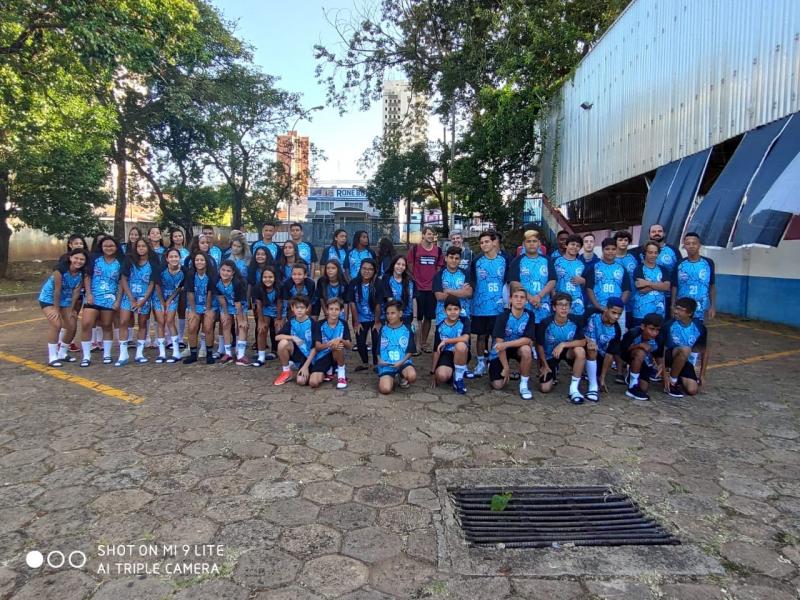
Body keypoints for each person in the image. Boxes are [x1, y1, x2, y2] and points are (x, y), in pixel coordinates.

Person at [469, 230, 508, 378]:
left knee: (495, 336)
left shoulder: (504, 260)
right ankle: (480, 363)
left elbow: (508, 281)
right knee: (480, 336)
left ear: (493, 242)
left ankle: (493, 360)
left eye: (487, 241)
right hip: (479, 306)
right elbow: (471, 281)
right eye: (482, 242)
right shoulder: (477, 261)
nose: (484, 244)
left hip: (498, 306)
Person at [535, 292, 587, 403]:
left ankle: (574, 389)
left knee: (580, 351)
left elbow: (583, 341)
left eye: (566, 305)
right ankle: (553, 371)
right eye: (560, 305)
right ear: (554, 307)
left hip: (568, 352)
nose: (563, 308)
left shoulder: (575, 320)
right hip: (550, 355)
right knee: (545, 388)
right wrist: (544, 365)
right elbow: (539, 346)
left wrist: (563, 344)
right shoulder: (545, 323)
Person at [39, 248, 87, 366]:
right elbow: (57, 290)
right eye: (76, 258)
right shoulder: (60, 270)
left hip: (66, 299)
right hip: (49, 298)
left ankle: (62, 353)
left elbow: (76, 292)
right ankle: (53, 356)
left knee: (71, 325)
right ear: (70, 258)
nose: (78, 261)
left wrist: (72, 309)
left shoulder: (82, 273)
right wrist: (55, 309)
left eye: (82, 259)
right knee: (57, 324)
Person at [80, 236, 123, 367]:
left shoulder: (120, 262)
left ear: (116, 247)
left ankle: (107, 354)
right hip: (93, 297)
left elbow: (122, 282)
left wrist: (118, 300)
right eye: (106, 246)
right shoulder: (94, 259)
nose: (108, 248)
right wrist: (89, 294)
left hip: (110, 298)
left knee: (107, 325)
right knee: (86, 323)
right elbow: (87, 277)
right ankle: (86, 356)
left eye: (111, 245)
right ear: (101, 247)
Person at [116, 239, 159, 366]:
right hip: (129, 296)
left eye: (143, 246)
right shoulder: (129, 260)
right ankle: (123, 354)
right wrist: (130, 298)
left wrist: (144, 300)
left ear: (148, 247)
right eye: (138, 246)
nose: (141, 248)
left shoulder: (153, 262)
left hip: (144, 297)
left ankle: (139, 353)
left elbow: (152, 283)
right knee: (123, 321)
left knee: (142, 324)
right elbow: (123, 279)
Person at [488, 286, 536, 400]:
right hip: (501, 350)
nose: (519, 300)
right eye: (516, 297)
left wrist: (506, 344)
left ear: (526, 300)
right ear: (510, 299)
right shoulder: (502, 317)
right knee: (498, 385)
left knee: (526, 349)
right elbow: (499, 344)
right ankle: (492, 365)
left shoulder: (530, 315)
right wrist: (506, 367)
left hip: (517, 347)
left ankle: (524, 385)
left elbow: (527, 339)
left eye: (522, 297)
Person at [661, 297, 708, 398]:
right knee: (686, 349)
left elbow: (704, 351)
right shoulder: (668, 325)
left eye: (680, 310)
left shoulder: (699, 327)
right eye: (676, 308)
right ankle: (672, 382)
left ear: (689, 313)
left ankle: (678, 377)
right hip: (670, 356)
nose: (676, 312)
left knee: (692, 390)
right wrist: (664, 375)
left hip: (684, 360)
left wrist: (702, 375)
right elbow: (662, 351)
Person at [407, 226, 444, 353]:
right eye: (428, 234)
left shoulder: (438, 251)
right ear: (423, 235)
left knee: (428, 317)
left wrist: (433, 281)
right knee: (417, 317)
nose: (430, 236)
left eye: (432, 234)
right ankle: (416, 344)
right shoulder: (415, 249)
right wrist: (416, 279)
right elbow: (410, 265)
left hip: (431, 288)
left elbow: (439, 267)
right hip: (418, 287)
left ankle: (423, 342)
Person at [507, 229, 556, 322]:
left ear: (539, 243)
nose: (532, 244)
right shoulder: (517, 261)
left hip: (543, 306)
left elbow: (552, 280)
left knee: (541, 334)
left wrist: (539, 296)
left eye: (534, 241)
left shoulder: (547, 260)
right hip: (523, 306)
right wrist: (530, 298)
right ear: (523, 244)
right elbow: (514, 283)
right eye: (528, 241)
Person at [583, 298, 624, 401]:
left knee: (597, 372)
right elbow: (578, 327)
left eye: (619, 314)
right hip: (582, 345)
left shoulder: (616, 331)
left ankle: (595, 381)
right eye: (613, 312)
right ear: (606, 309)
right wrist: (587, 340)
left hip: (599, 355)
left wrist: (602, 377)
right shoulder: (591, 313)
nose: (616, 317)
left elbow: (609, 355)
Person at [430, 295, 471, 395]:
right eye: (449, 309)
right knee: (442, 376)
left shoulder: (465, 321)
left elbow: (465, 338)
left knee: (460, 345)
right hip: (446, 354)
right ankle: (452, 373)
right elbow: (436, 350)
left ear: (460, 310)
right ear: (444, 311)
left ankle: (458, 379)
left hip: (462, 353)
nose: (453, 312)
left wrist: (447, 341)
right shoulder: (440, 327)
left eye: (456, 309)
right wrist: (433, 372)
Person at [183, 251, 218, 365]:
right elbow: (190, 293)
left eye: (202, 260)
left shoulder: (211, 275)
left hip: (210, 304)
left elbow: (210, 293)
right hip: (195, 304)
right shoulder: (190, 274)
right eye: (197, 260)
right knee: (192, 326)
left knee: (208, 326)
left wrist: (207, 310)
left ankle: (209, 354)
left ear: (206, 262)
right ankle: (193, 354)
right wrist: (193, 311)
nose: (199, 262)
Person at [309, 297, 352, 389]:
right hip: (322, 356)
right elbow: (317, 347)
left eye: (337, 309)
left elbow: (349, 345)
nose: (334, 312)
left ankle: (341, 375)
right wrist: (331, 343)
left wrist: (340, 340)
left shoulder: (343, 324)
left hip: (336, 355)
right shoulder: (319, 324)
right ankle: (328, 372)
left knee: (338, 345)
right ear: (327, 310)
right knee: (313, 383)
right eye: (331, 309)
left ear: (341, 311)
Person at [620, 312, 664, 401]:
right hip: (630, 356)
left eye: (657, 330)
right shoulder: (633, 333)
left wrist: (661, 368)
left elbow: (659, 355)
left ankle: (632, 375)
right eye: (651, 329)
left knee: (644, 389)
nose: (654, 333)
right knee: (640, 352)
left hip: (646, 362)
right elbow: (622, 350)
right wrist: (639, 345)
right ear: (643, 326)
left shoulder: (659, 338)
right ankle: (632, 387)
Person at [347, 258, 382, 372]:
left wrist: (377, 322)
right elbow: (352, 302)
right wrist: (356, 322)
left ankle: (377, 364)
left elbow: (378, 304)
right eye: (364, 268)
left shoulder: (378, 283)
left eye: (370, 269)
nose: (367, 271)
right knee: (360, 342)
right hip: (360, 318)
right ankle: (365, 363)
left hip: (374, 318)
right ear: (360, 269)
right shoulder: (354, 283)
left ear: (374, 271)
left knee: (376, 340)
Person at [672, 232, 716, 321]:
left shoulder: (708, 263)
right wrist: (672, 305)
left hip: (701, 308)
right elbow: (674, 286)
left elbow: (711, 286)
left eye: (694, 243)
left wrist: (712, 306)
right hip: (682, 309)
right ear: (684, 246)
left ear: (699, 245)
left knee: (698, 332)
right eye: (688, 244)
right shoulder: (679, 264)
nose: (691, 246)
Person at [152, 248, 186, 364]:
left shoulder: (183, 271)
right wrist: (162, 302)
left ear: (180, 258)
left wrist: (169, 300)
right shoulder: (161, 270)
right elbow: (157, 286)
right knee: (161, 322)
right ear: (167, 259)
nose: (174, 259)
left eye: (176, 256)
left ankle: (176, 352)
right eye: (171, 257)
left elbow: (179, 288)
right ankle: (162, 353)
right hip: (159, 297)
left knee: (170, 320)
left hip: (172, 296)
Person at [377, 300, 417, 394]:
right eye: (387, 313)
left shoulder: (407, 329)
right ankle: (390, 377)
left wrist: (401, 362)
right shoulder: (383, 329)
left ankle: (402, 375)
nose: (389, 316)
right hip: (387, 364)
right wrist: (379, 360)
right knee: (385, 390)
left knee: (412, 376)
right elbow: (378, 348)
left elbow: (411, 350)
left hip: (402, 362)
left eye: (393, 313)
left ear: (400, 313)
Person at [274, 295, 316, 386]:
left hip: (310, 356)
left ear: (307, 308)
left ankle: (306, 368)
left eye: (302, 307)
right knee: (283, 343)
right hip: (296, 352)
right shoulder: (291, 321)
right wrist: (293, 337)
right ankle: (286, 372)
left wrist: (306, 366)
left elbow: (316, 347)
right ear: (292, 308)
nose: (299, 310)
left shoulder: (312, 323)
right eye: (297, 307)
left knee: (301, 381)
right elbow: (277, 337)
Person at [215, 259, 249, 365]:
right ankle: (228, 353)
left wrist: (241, 320)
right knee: (225, 324)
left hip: (239, 305)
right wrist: (225, 313)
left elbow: (238, 303)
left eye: (228, 271)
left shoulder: (237, 283)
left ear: (233, 272)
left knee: (242, 326)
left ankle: (241, 355)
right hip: (227, 304)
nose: (225, 273)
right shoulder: (216, 281)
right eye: (223, 270)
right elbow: (221, 299)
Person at [585, 237, 631, 313]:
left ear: (616, 250)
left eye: (613, 249)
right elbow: (589, 288)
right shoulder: (594, 267)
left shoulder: (622, 269)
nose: (610, 251)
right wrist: (598, 306)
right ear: (602, 250)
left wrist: (618, 307)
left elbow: (626, 290)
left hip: (617, 311)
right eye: (607, 249)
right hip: (596, 309)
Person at [631, 241, 670, 327]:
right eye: (650, 252)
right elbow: (641, 289)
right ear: (645, 253)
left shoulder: (663, 269)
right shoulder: (639, 269)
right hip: (642, 312)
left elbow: (667, 287)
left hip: (659, 312)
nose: (653, 255)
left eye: (656, 253)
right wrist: (659, 286)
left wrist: (647, 283)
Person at [432, 246, 473, 323]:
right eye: (451, 257)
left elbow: (468, 293)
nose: (454, 260)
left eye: (457, 258)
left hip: (462, 315)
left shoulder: (466, 274)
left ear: (460, 260)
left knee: (464, 335)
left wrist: (448, 290)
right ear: (446, 258)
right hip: (443, 316)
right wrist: (461, 292)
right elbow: (439, 296)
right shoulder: (439, 275)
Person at [251, 266, 282, 367]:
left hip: (278, 310)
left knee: (279, 329)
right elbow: (259, 306)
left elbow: (279, 303)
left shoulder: (279, 286)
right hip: (266, 310)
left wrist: (279, 318)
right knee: (262, 329)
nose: (267, 279)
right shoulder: (258, 288)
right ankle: (261, 356)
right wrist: (260, 321)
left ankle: (285, 356)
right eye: (265, 277)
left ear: (275, 277)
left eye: (270, 277)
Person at [553, 234, 587, 316]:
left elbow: (588, 284)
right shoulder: (555, 261)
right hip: (560, 301)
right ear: (566, 245)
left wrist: (583, 281)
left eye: (578, 246)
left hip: (577, 303)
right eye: (572, 244)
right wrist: (553, 295)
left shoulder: (582, 264)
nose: (575, 247)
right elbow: (550, 280)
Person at [379, 255, 415, 327]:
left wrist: (415, 317)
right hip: (390, 316)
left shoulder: (410, 280)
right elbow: (389, 299)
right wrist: (397, 315)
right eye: (398, 264)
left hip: (407, 316)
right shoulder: (386, 278)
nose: (400, 267)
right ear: (393, 265)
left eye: (403, 265)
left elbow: (414, 298)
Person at [614, 230, 637, 328]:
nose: (623, 242)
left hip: (633, 299)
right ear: (615, 242)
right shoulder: (611, 258)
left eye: (626, 240)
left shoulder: (634, 258)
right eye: (620, 240)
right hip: (617, 298)